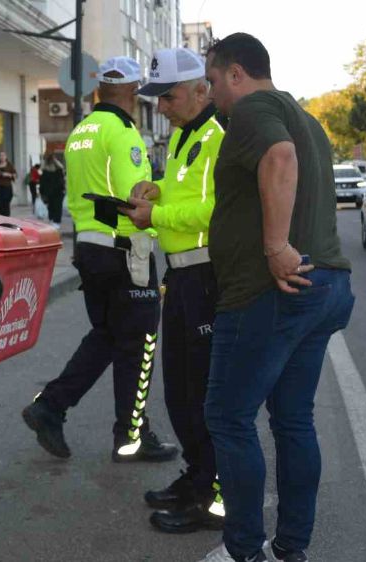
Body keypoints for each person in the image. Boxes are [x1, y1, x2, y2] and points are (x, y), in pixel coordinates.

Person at [196, 33, 354, 562]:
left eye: (214, 81)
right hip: (324, 285)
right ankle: (291, 547)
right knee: (292, 419)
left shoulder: (253, 108)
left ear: (237, 74)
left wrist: (275, 246)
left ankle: (245, 551)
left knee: (228, 417)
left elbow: (279, 159)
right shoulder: (307, 118)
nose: (212, 94)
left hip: (272, 291)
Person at [21, 56, 179, 463]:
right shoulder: (122, 131)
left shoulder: (80, 131)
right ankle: (132, 436)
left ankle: (50, 407)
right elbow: (136, 197)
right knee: (140, 344)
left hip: (90, 250)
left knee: (108, 336)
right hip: (125, 250)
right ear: (129, 93)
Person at [124, 48, 227, 534]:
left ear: (202, 90)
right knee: (180, 390)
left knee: (203, 393)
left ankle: (212, 496)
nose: (160, 107)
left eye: (168, 97)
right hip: (181, 276)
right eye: (157, 99)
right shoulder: (187, 134)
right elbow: (185, 193)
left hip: (206, 276)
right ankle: (197, 476)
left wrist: (155, 215)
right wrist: (154, 190)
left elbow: (217, 210)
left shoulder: (219, 135)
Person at [38, 154, 65, 228]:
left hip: (52, 193)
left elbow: (42, 183)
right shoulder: (57, 171)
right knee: (56, 207)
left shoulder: (46, 172)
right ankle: (55, 222)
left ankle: (53, 220)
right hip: (56, 192)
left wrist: (41, 193)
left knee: (53, 207)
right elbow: (61, 168)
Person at [0, 151, 17, 216]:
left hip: (7, 187)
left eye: (3, 155)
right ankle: (2, 216)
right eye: (0, 156)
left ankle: (6, 218)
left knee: (6, 204)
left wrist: (8, 174)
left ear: (6, 157)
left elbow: (15, 175)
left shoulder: (9, 165)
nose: (2, 157)